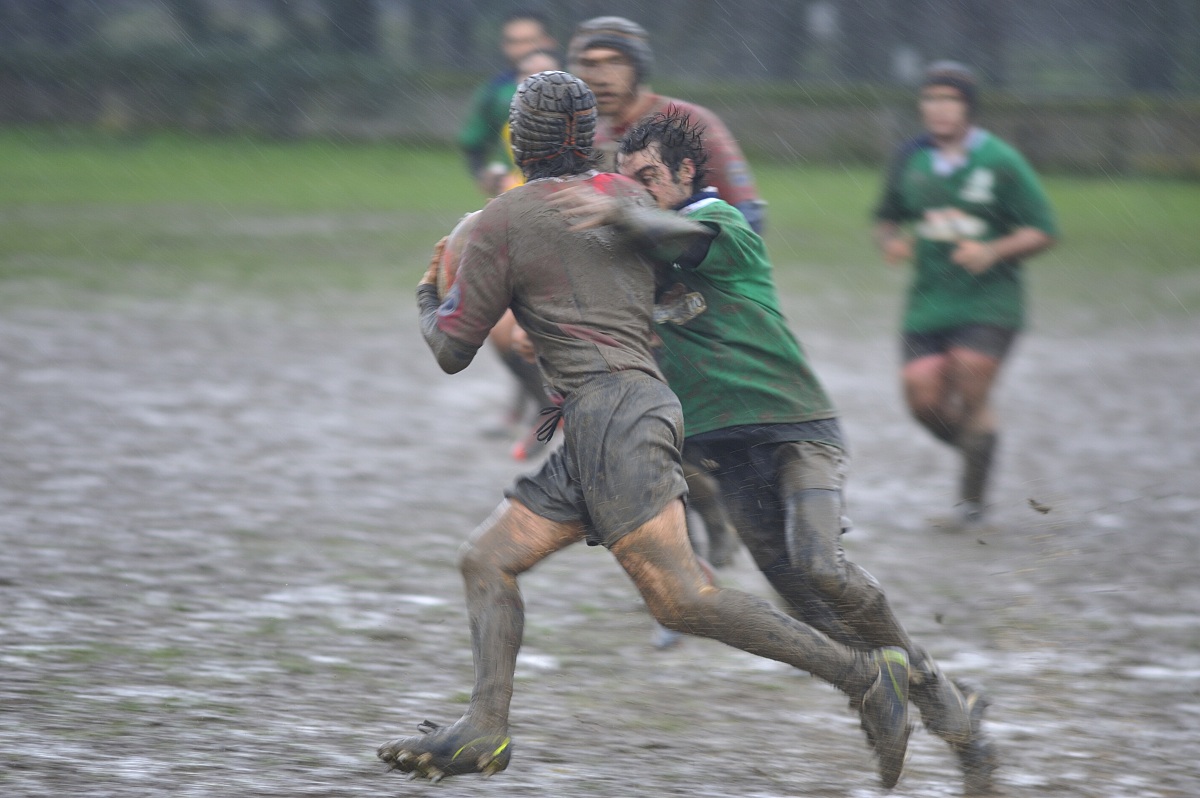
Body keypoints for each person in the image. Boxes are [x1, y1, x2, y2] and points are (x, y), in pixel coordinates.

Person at [379, 71, 913, 790]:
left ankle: (866, 676)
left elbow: (452, 350)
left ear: (518, 139)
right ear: (590, 135)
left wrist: (425, 294)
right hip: (625, 411)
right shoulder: (628, 197)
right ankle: (484, 730)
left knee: (683, 598)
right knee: (487, 559)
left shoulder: (494, 224)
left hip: (613, 418)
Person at [552, 107, 999, 794]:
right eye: (629, 180)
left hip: (797, 430)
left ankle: (938, 696)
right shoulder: (638, 261)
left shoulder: (719, 225)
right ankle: (954, 716)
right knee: (809, 612)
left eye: (650, 177)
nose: (640, 189)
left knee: (823, 566)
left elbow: (672, 228)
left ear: (687, 174)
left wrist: (622, 215)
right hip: (726, 454)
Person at [872, 61, 1058, 531]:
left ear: (969, 108)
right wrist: (891, 241)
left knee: (969, 374)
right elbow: (886, 217)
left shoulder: (1000, 161)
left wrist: (993, 249)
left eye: (949, 99)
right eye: (930, 99)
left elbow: (1044, 230)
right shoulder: (909, 160)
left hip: (989, 300)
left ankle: (971, 500)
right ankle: (981, 449)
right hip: (929, 300)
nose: (938, 108)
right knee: (922, 397)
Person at [567, 16, 767, 234]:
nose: (601, 78)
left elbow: (747, 218)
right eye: (589, 64)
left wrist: (689, 255)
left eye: (616, 62)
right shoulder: (587, 134)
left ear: (639, 68)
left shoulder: (686, 122)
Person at [458, 10, 556, 198]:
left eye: (528, 41)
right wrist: (483, 174)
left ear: (547, 42)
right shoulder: (495, 90)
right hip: (515, 193)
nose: (521, 50)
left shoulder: (579, 85)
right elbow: (473, 141)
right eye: (513, 42)